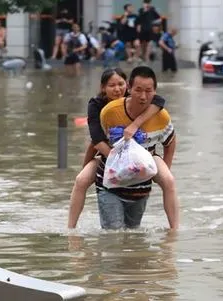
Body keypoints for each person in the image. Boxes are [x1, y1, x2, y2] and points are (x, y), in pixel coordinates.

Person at [67, 67, 179, 230]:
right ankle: (71, 229)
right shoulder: (99, 107)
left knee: (168, 180)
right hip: (108, 153)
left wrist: (135, 124)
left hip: (146, 154)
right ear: (103, 88)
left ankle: (174, 231)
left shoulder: (143, 101)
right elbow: (96, 141)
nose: (117, 89)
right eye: (112, 85)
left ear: (126, 86)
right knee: (81, 180)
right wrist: (118, 159)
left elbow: (159, 102)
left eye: (120, 84)